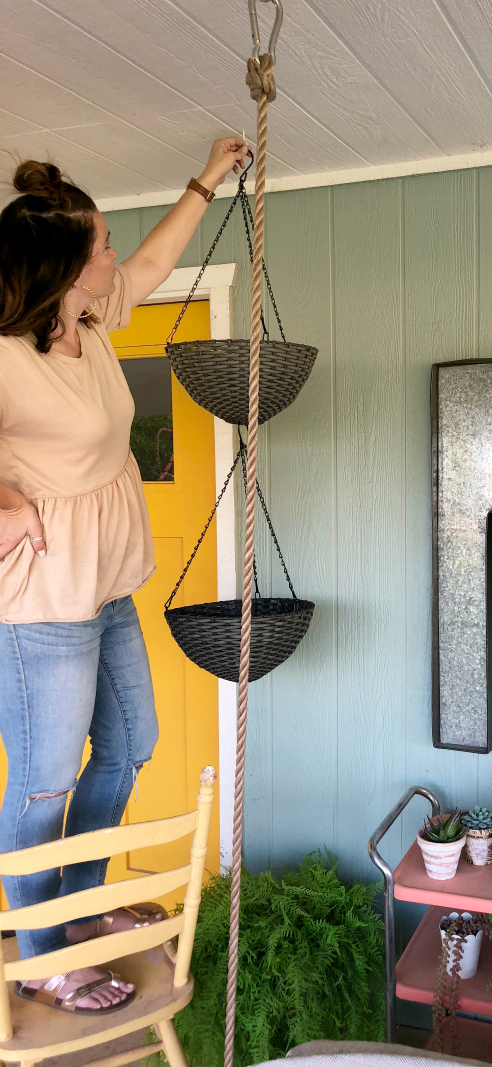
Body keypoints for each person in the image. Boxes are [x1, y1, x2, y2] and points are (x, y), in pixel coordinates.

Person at [0, 138, 248, 1015]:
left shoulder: (95, 329)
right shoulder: (5, 358)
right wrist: (9, 499)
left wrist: (206, 181)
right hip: (43, 609)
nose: (114, 255)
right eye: (101, 244)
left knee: (131, 747)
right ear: (67, 268)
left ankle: (78, 907)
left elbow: (153, 258)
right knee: (41, 787)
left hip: (108, 594)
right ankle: (40, 955)